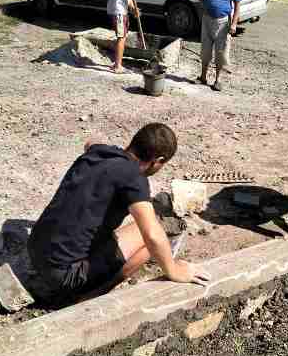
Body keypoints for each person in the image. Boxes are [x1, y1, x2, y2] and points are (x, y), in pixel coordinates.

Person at [27, 123, 210, 302]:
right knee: (150, 245)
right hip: (65, 276)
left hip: (35, 250)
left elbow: (90, 142)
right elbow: (153, 236)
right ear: (158, 161)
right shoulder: (134, 178)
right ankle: (88, 297)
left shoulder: (99, 152)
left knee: (137, 232)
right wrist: (173, 270)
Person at [193, 0, 243, 92]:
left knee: (221, 52)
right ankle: (203, 77)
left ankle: (218, 80)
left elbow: (237, 4)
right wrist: (203, 2)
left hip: (223, 22)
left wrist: (234, 24)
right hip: (207, 20)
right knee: (205, 50)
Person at [103, 0, 137, 74]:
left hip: (124, 8)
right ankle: (118, 66)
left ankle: (117, 61)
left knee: (123, 35)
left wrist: (133, 7)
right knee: (121, 36)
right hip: (117, 8)